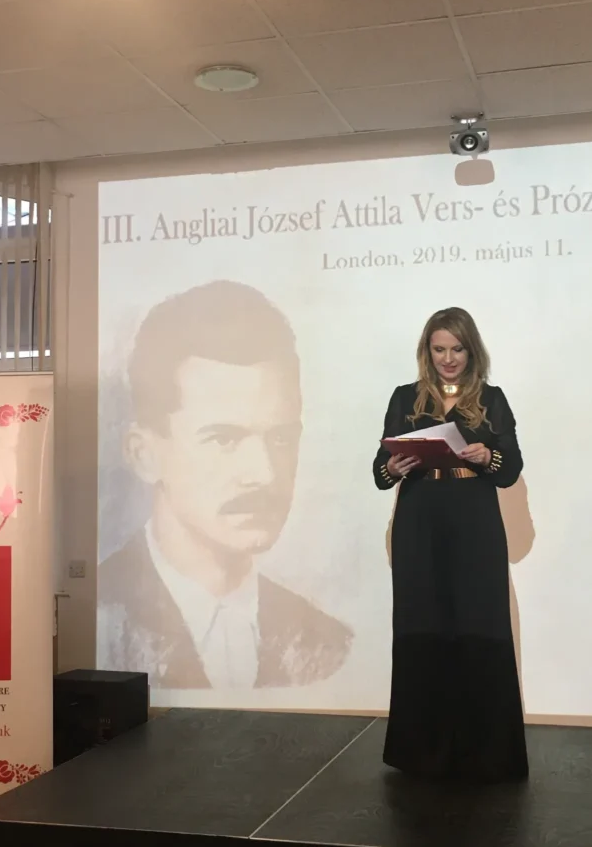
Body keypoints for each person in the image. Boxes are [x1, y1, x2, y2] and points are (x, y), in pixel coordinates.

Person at [99, 280, 352, 689]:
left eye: (281, 439)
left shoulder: (329, 644)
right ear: (144, 454)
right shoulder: (98, 619)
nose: (264, 474)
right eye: (223, 439)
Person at [373, 307, 528, 782]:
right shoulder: (405, 397)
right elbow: (380, 470)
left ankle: (487, 753)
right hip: (419, 521)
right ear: (427, 351)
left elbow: (510, 469)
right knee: (421, 627)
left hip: (474, 521)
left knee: (479, 627)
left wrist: (487, 454)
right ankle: (422, 752)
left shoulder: (492, 399)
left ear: (471, 350)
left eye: (456, 349)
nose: (448, 358)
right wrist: (392, 467)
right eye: (439, 349)